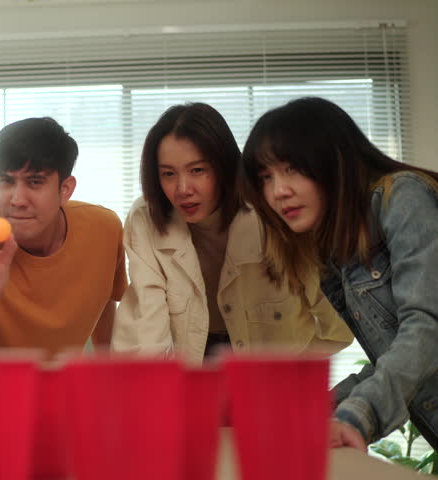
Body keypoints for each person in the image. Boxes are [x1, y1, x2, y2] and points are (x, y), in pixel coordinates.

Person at [240, 96, 438, 451]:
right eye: (266, 177)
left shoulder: (402, 196)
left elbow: (427, 328)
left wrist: (360, 415)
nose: (278, 191)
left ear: (334, 161)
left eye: (292, 169)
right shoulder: (337, 253)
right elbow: (392, 357)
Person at [111, 102, 352, 365]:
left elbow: (340, 326)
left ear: (224, 166)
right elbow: (149, 327)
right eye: (168, 174)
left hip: (266, 369)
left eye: (197, 170)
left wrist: (288, 371)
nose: (182, 188)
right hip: (191, 361)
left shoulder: (273, 212)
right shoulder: (147, 217)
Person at [0, 117, 127, 355]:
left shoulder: (104, 228)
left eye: (35, 182)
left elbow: (106, 300)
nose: (17, 200)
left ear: (65, 189)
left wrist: (107, 374)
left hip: (65, 387)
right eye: (6, 182)